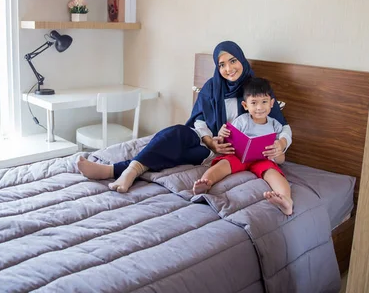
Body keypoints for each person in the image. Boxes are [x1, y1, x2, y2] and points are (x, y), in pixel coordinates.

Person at [77, 41, 292, 193]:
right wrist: (211, 141)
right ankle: (127, 171)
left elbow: (281, 127)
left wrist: (281, 145)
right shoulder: (212, 87)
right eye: (222, 64)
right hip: (208, 146)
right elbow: (199, 120)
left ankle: (111, 170)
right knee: (175, 135)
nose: (228, 68)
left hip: (232, 156)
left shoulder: (257, 92)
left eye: (233, 61)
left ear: (242, 60)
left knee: (171, 155)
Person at [193, 77, 293, 215]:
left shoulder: (275, 125)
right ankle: (205, 183)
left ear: (271, 103)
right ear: (245, 106)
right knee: (222, 165)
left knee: (275, 175)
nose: (259, 107)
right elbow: (225, 141)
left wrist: (278, 152)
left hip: (262, 159)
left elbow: (281, 159)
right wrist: (221, 134)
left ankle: (286, 200)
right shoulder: (241, 121)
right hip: (239, 156)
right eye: (254, 103)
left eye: (264, 102)